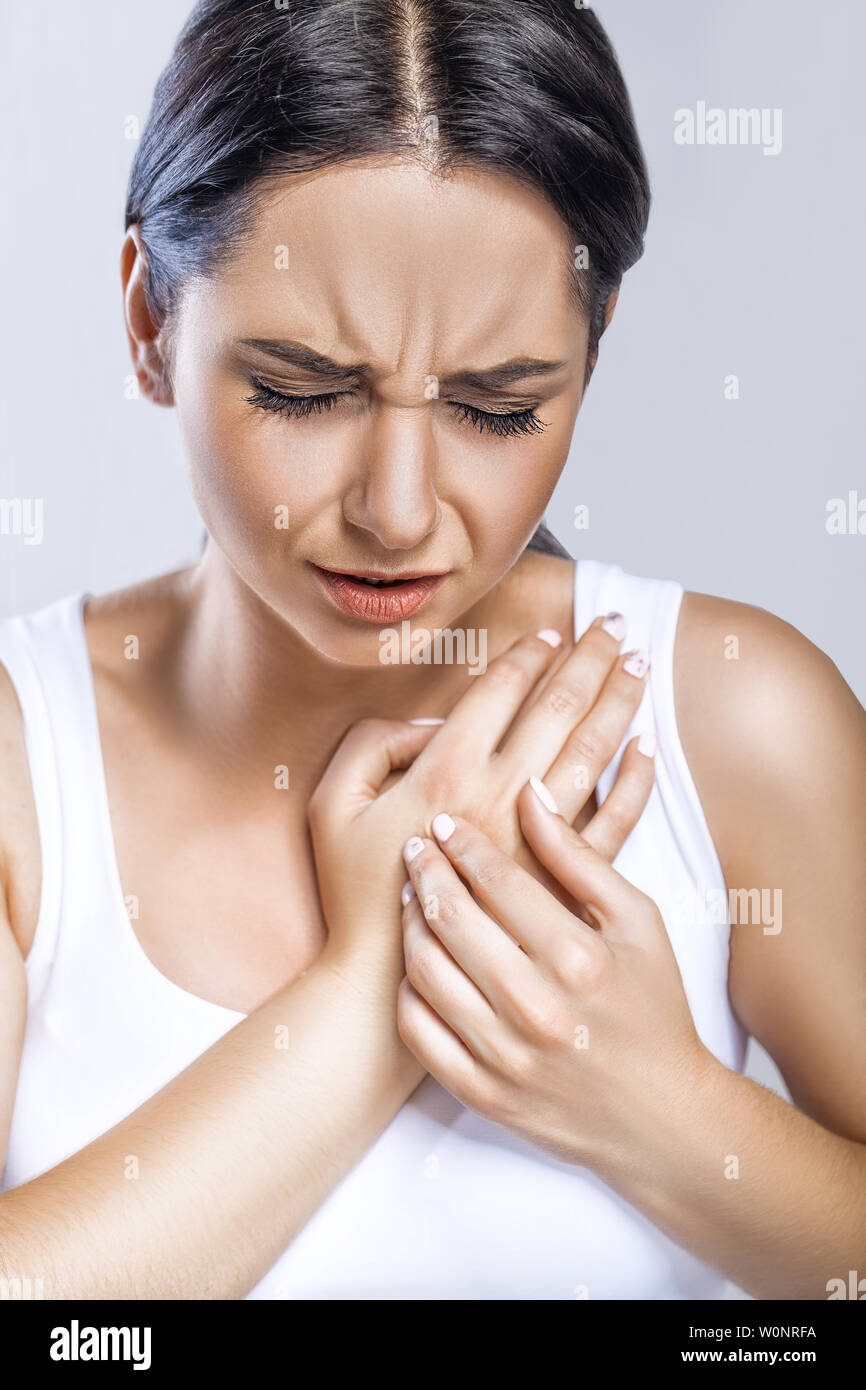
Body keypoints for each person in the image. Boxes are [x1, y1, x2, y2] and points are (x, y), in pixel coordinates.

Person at [0, 0, 863, 1301]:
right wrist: (367, 999)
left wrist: (660, 1103)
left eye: (495, 404)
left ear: (596, 337)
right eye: (301, 389)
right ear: (147, 321)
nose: (398, 510)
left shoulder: (736, 721)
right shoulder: (25, 769)